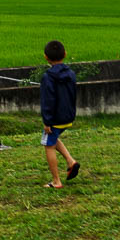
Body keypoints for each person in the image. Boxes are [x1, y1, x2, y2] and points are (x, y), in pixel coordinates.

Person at [40, 40, 80, 188]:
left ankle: (56, 181)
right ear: (65, 54)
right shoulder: (71, 74)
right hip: (68, 116)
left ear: (46, 57)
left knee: (48, 145)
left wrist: (47, 121)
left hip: (55, 119)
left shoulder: (48, 77)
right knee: (53, 138)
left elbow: (47, 101)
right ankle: (71, 161)